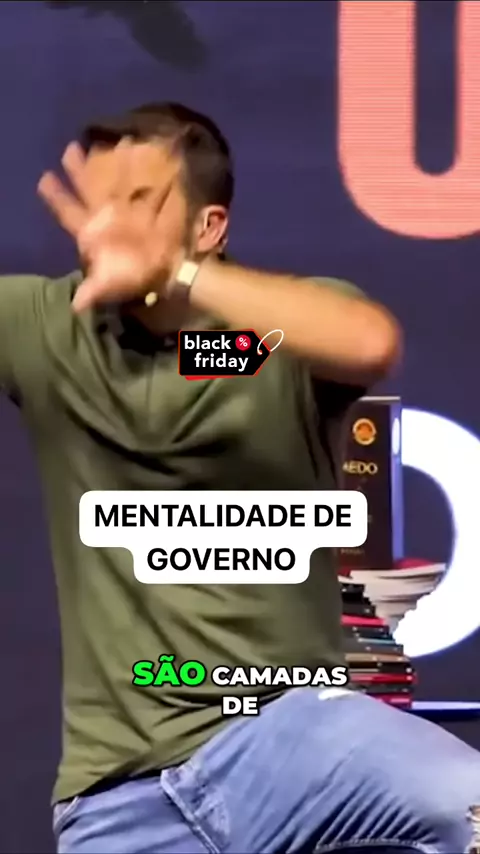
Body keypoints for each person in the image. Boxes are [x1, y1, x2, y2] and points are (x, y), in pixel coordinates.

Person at [3, 101, 478, 853]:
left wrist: (174, 275)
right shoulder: (46, 327)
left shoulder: (274, 331)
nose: (112, 224)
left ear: (209, 227)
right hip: (117, 794)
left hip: (293, 734)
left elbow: (369, 340)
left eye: (140, 201)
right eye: (102, 200)